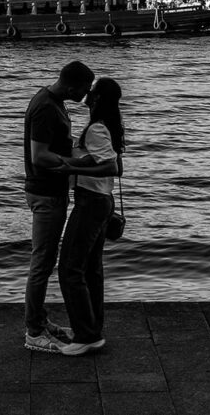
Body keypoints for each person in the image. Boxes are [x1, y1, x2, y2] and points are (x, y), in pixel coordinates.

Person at [22, 60, 95, 353]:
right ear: (71, 85)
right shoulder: (45, 108)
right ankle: (33, 332)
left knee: (45, 261)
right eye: (85, 89)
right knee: (41, 264)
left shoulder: (51, 102)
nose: (87, 95)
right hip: (46, 193)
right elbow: (39, 156)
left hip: (52, 191)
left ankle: (39, 320)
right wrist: (78, 164)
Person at [57, 77, 125, 356]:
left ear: (97, 99)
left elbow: (110, 167)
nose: (87, 94)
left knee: (69, 269)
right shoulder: (111, 125)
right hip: (103, 201)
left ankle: (86, 334)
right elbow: (114, 165)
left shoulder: (97, 128)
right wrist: (79, 162)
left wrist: (70, 169)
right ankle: (91, 328)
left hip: (91, 203)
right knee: (91, 269)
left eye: (92, 92)